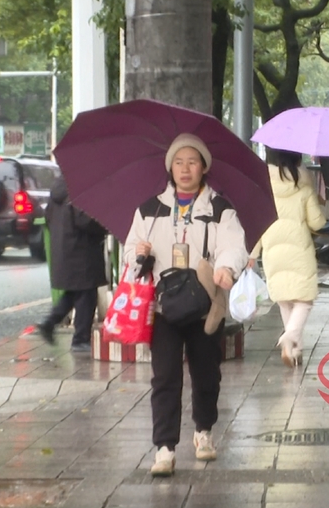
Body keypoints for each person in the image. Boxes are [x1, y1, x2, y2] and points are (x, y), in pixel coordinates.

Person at [124, 134, 249, 475]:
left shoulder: (220, 208)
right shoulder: (149, 209)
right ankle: (164, 448)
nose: (185, 168)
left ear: (204, 167)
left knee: (206, 374)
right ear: (170, 167)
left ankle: (204, 432)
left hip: (206, 304)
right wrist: (139, 255)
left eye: (192, 162)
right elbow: (131, 251)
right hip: (165, 307)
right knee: (165, 377)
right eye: (178, 162)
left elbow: (234, 245)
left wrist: (227, 267)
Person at [250, 149, 327, 368]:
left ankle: (293, 350)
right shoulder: (304, 187)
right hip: (298, 249)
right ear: (298, 159)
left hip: (272, 249)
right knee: (304, 299)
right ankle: (289, 336)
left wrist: (253, 252)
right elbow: (317, 223)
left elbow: (257, 221)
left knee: (285, 300)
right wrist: (319, 204)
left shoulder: (264, 188)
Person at [36, 177, 108, 352]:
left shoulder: (58, 190)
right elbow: (85, 221)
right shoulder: (78, 191)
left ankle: (49, 323)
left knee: (74, 292)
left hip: (64, 248)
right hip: (81, 250)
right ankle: (80, 339)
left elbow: (48, 217)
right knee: (87, 294)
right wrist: (103, 225)